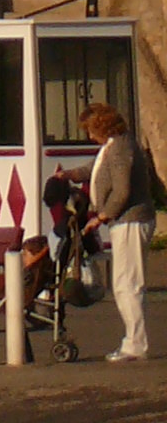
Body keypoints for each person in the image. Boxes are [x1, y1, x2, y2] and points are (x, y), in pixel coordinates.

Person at [87, 100, 152, 359]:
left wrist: (102, 216)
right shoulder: (115, 146)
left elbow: (122, 190)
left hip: (130, 221)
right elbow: (97, 171)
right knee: (126, 282)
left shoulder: (120, 148)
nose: (90, 136)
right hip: (125, 221)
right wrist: (70, 175)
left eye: (91, 130)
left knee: (127, 284)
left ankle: (135, 342)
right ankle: (134, 339)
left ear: (101, 127)